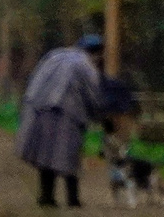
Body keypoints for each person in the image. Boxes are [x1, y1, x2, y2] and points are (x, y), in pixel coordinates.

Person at [17, 33, 104, 207]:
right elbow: (92, 94)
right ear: (96, 52)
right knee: (70, 154)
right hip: (69, 115)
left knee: (45, 155)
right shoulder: (85, 64)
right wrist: (98, 116)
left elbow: (35, 82)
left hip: (40, 111)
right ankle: (73, 199)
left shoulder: (54, 56)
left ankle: (46, 196)